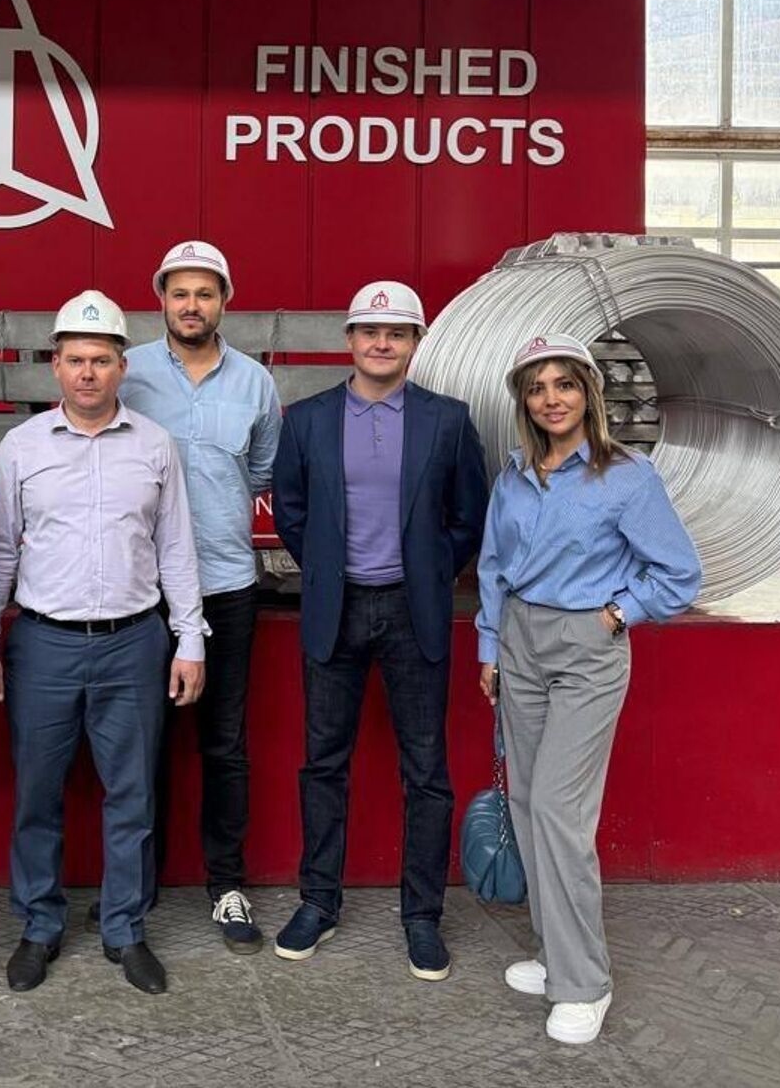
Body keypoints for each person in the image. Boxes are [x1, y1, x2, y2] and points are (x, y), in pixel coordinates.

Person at [475, 332, 701, 1045]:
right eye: (537, 387)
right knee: (525, 801)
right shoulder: (514, 475)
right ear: (524, 401)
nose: (552, 399)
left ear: (589, 393)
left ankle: (585, 983)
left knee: (559, 807)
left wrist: (618, 613)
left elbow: (679, 574)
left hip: (585, 648)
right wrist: (490, 647)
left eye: (564, 384)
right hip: (519, 640)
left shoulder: (626, 476)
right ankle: (554, 953)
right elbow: (492, 567)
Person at [0, 290, 207, 997]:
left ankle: (124, 927)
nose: (88, 372)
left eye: (101, 360)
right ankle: (39, 924)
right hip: (43, 645)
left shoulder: (154, 445)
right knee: (37, 794)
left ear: (122, 367)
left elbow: (176, 548)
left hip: (133, 643)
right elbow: (0, 551)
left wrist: (190, 639)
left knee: (132, 794)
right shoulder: (22, 446)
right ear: (56, 366)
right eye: (76, 360)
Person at [270, 280, 488, 980]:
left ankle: (422, 915)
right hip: (334, 609)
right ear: (350, 339)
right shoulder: (307, 420)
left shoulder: (447, 420)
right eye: (370, 331)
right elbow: (291, 511)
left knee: (426, 771)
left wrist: (428, 568)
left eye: (396, 333)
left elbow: (469, 516)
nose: (382, 343)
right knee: (322, 763)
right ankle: (318, 901)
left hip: (412, 611)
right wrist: (327, 569)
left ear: (415, 343)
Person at [120, 240, 281, 953]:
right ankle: (136, 890)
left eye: (205, 293)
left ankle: (227, 885)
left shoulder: (255, 383)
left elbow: (261, 471)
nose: (192, 305)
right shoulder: (129, 373)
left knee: (224, 744)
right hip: (141, 592)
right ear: (161, 299)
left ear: (225, 301)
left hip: (226, 587)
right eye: (180, 292)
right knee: (141, 746)